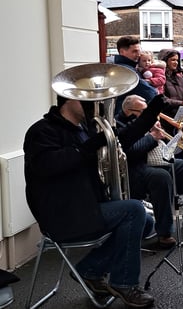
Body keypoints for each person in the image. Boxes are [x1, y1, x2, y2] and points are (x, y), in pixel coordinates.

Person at [24, 94, 163, 307]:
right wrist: (87, 148)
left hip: (86, 207)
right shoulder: (42, 131)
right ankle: (124, 283)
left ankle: (90, 270)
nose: (94, 107)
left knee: (146, 221)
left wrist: (148, 116)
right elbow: (47, 166)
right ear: (70, 100)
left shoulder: (84, 128)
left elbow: (121, 140)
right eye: (88, 101)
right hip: (63, 214)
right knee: (134, 210)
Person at [116, 95, 183, 248]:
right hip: (136, 168)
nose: (149, 115)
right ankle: (164, 232)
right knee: (161, 177)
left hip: (158, 161)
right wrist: (152, 137)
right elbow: (130, 152)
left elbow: (165, 149)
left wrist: (166, 138)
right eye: (144, 111)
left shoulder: (145, 122)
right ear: (130, 111)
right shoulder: (120, 125)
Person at [112, 35, 157, 112]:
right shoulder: (126, 70)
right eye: (134, 51)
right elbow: (149, 93)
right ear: (122, 52)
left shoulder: (130, 67)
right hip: (128, 114)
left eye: (139, 51)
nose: (138, 54)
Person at [159, 49, 183, 119]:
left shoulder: (179, 77)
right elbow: (162, 99)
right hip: (167, 117)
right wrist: (181, 103)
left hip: (181, 115)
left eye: (177, 60)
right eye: (173, 60)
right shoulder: (160, 78)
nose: (176, 62)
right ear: (165, 61)